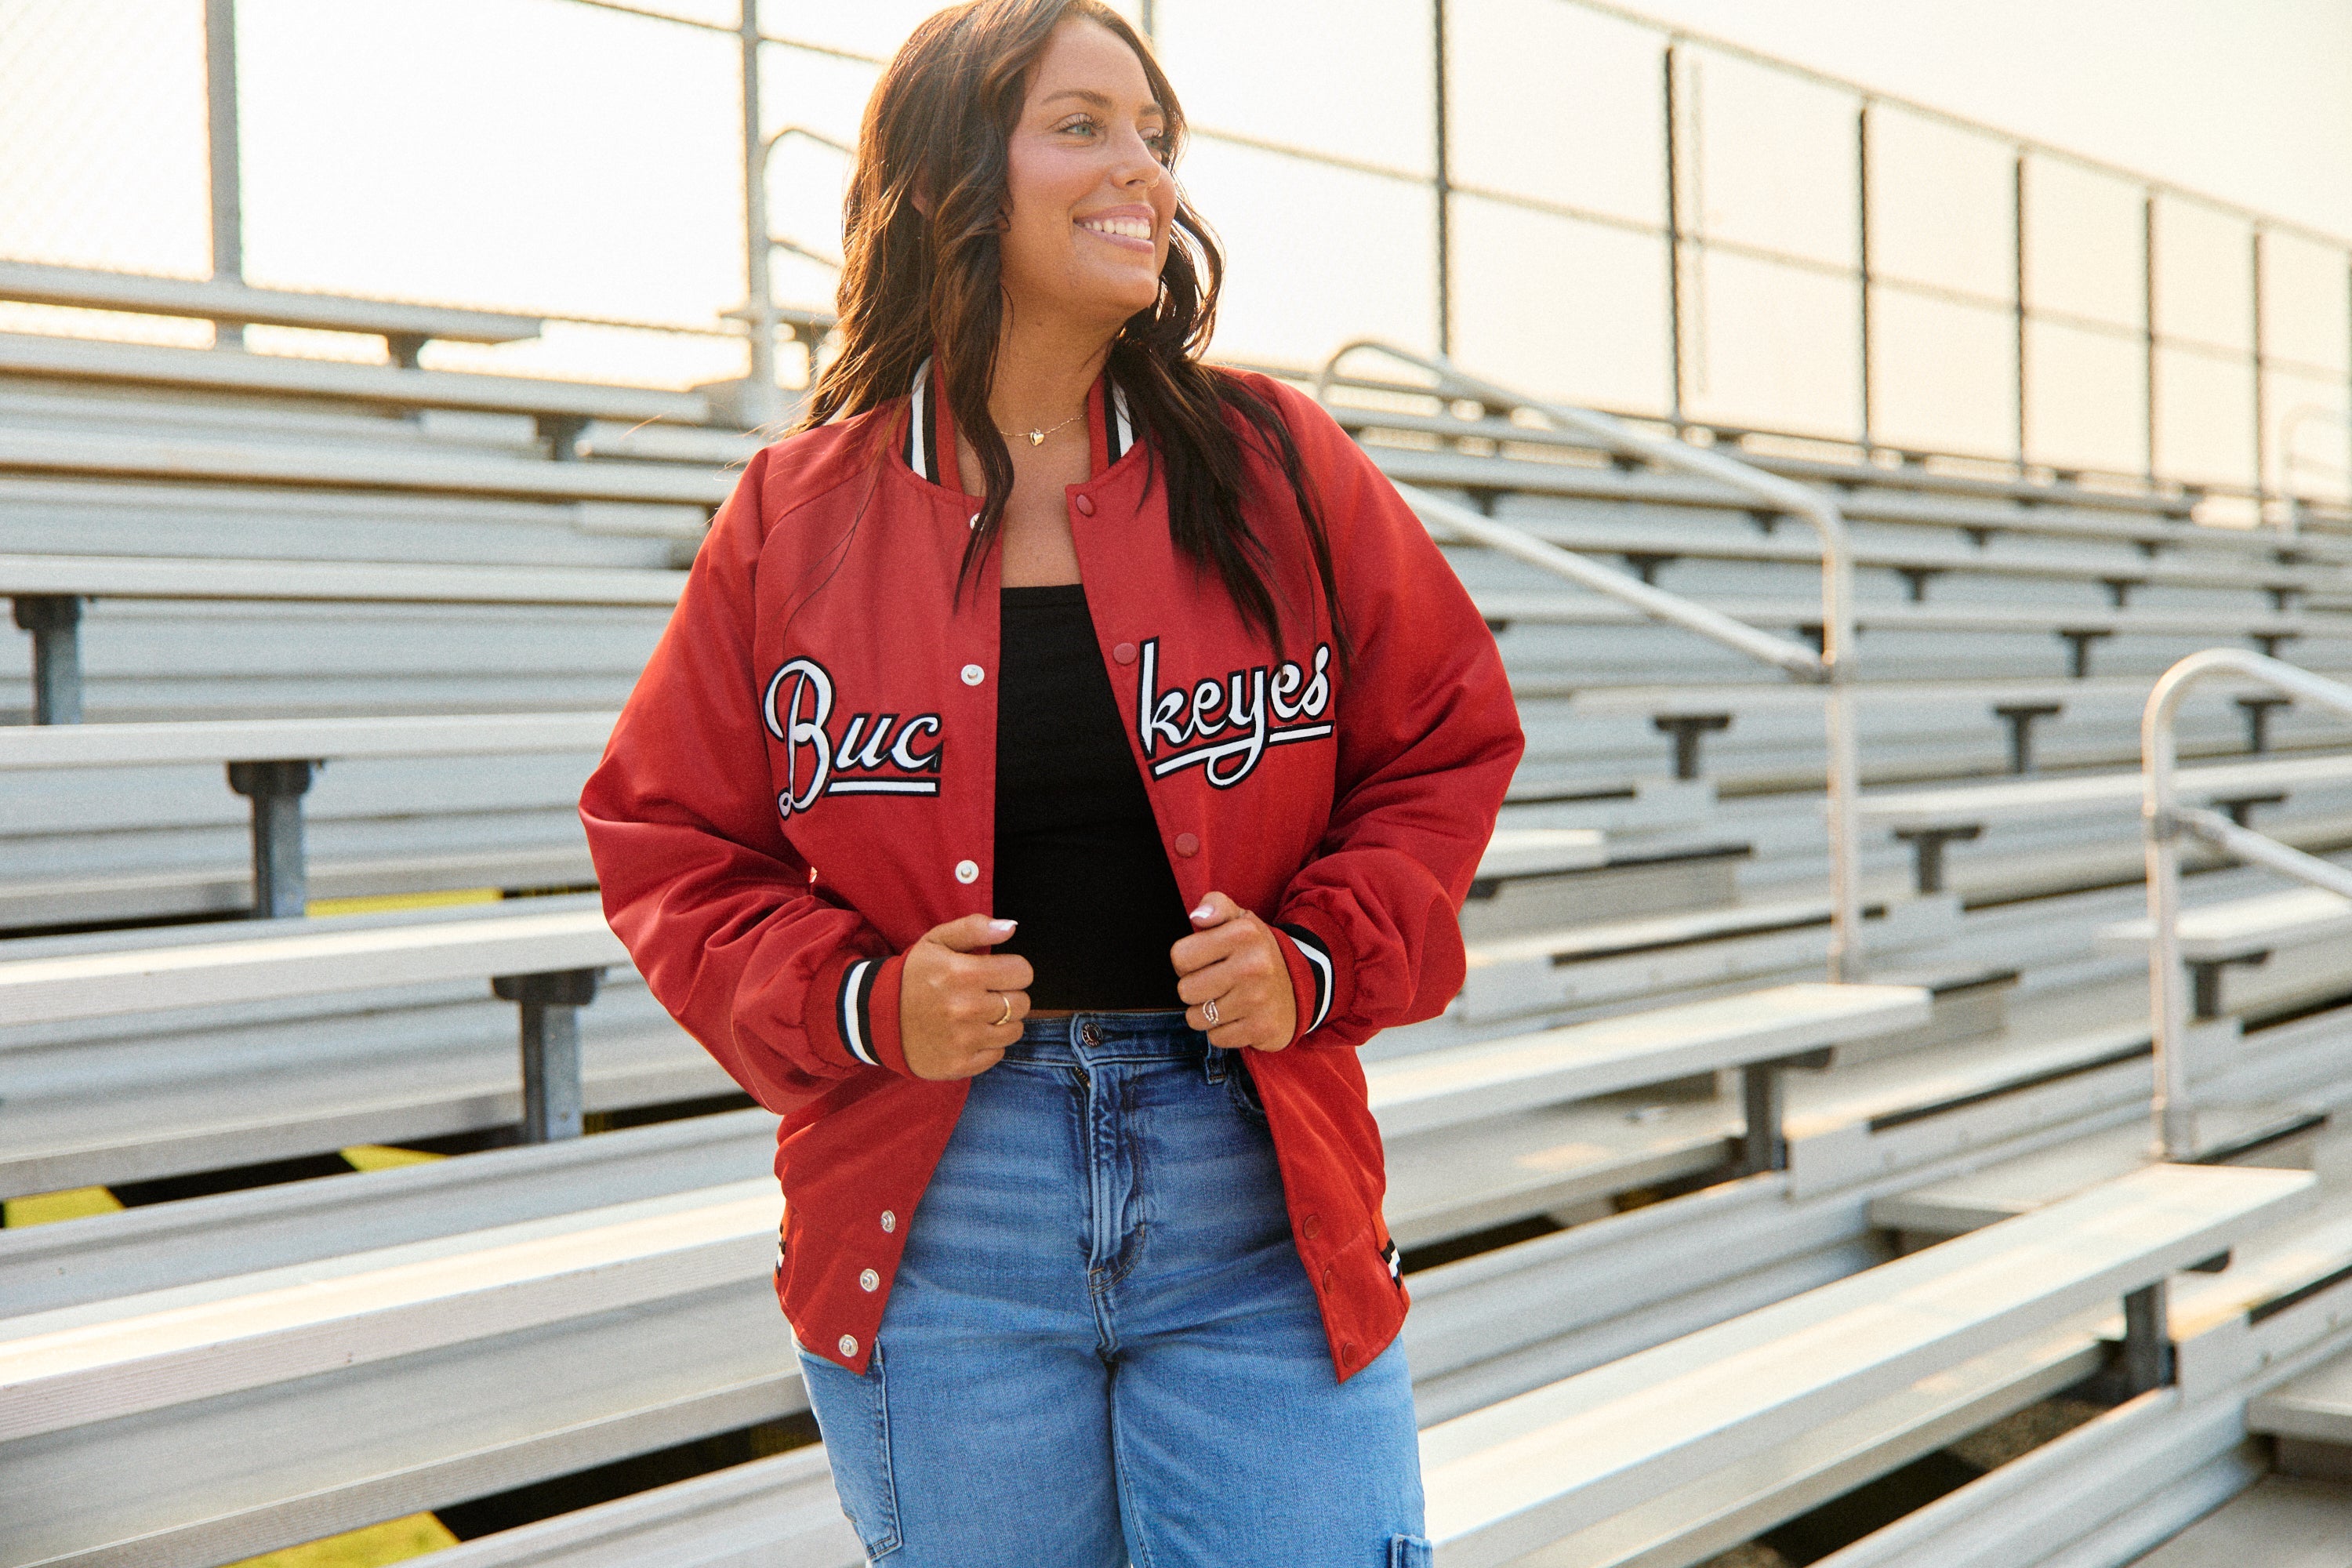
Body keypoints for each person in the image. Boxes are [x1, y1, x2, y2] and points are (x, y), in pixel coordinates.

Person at [579, 2, 1523, 1562]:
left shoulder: (1279, 459)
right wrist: (866, 1002)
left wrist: (1319, 956)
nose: (1139, 167)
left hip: (1252, 1198)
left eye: (1154, 133)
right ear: (956, 175)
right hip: (944, 1214)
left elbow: (1447, 738)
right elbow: (666, 839)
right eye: (1081, 125)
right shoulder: (797, 512)